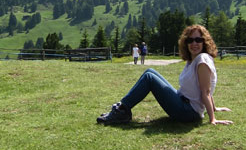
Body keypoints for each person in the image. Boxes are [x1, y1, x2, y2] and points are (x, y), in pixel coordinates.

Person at [97, 25, 233, 126]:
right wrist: (214, 107)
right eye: (190, 40)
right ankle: (122, 109)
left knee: (149, 78)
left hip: (188, 112)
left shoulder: (202, 60)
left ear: (205, 42)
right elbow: (206, 87)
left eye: (198, 39)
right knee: (150, 72)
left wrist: (212, 118)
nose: (194, 44)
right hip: (183, 102)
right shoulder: (194, 60)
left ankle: (121, 110)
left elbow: (206, 91)